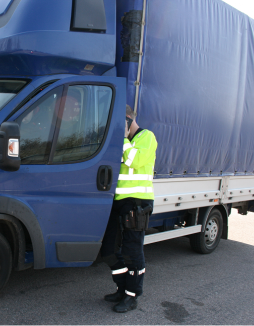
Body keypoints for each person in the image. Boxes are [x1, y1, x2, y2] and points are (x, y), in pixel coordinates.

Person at [101, 104, 157, 313]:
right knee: (108, 251)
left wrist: (124, 139)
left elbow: (135, 160)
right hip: (117, 200)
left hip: (138, 201)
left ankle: (132, 296)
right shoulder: (120, 141)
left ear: (127, 119)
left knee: (133, 251)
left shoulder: (147, 137)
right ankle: (121, 288)